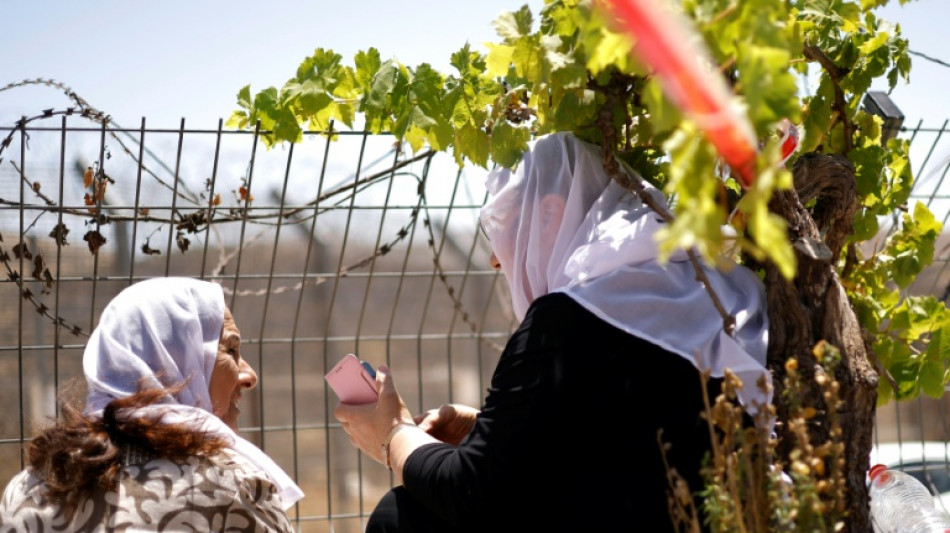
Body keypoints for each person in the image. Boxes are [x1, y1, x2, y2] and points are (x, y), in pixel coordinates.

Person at [334, 132, 771, 532]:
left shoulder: (565, 321)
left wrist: (392, 434)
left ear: (550, 214)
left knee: (401, 516)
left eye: (503, 227)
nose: (494, 258)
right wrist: (490, 430)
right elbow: (615, 443)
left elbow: (469, 492)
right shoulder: (706, 287)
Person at [0, 277, 303, 531]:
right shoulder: (228, 487)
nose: (249, 375)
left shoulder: (28, 491)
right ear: (174, 361)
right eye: (231, 350)